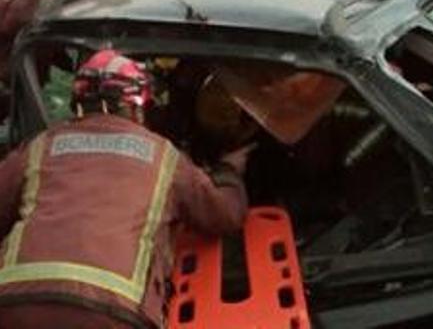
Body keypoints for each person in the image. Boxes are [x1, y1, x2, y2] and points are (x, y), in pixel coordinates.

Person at [0, 49, 252, 328]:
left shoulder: (39, 147)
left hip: (17, 303)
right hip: (113, 310)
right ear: (138, 105)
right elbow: (224, 215)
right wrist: (229, 170)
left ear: (77, 102)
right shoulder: (163, 157)